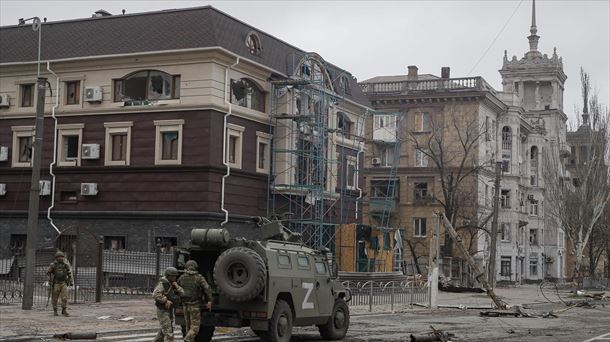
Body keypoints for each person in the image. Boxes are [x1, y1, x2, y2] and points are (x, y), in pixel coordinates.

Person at [178, 260, 213, 342]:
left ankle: (189, 339)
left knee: (188, 326)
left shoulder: (182, 277)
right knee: (195, 328)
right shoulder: (199, 277)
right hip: (194, 305)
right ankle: (187, 339)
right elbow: (207, 288)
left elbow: (177, 289)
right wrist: (209, 300)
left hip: (185, 305)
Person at [153, 267, 184, 342]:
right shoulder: (163, 283)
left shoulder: (172, 284)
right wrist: (165, 301)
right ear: (168, 276)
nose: (175, 277)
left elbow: (183, 293)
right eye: (173, 276)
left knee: (162, 333)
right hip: (162, 311)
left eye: (175, 276)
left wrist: (177, 287)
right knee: (169, 334)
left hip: (169, 310)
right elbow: (155, 294)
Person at [47, 251, 73, 317]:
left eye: (61, 256)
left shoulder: (65, 264)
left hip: (63, 283)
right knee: (55, 298)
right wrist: (50, 280)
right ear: (56, 258)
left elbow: (69, 273)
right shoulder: (53, 265)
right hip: (56, 283)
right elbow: (48, 273)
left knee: (65, 297)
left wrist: (71, 282)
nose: (60, 258)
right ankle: (55, 310)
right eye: (59, 257)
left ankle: (64, 310)